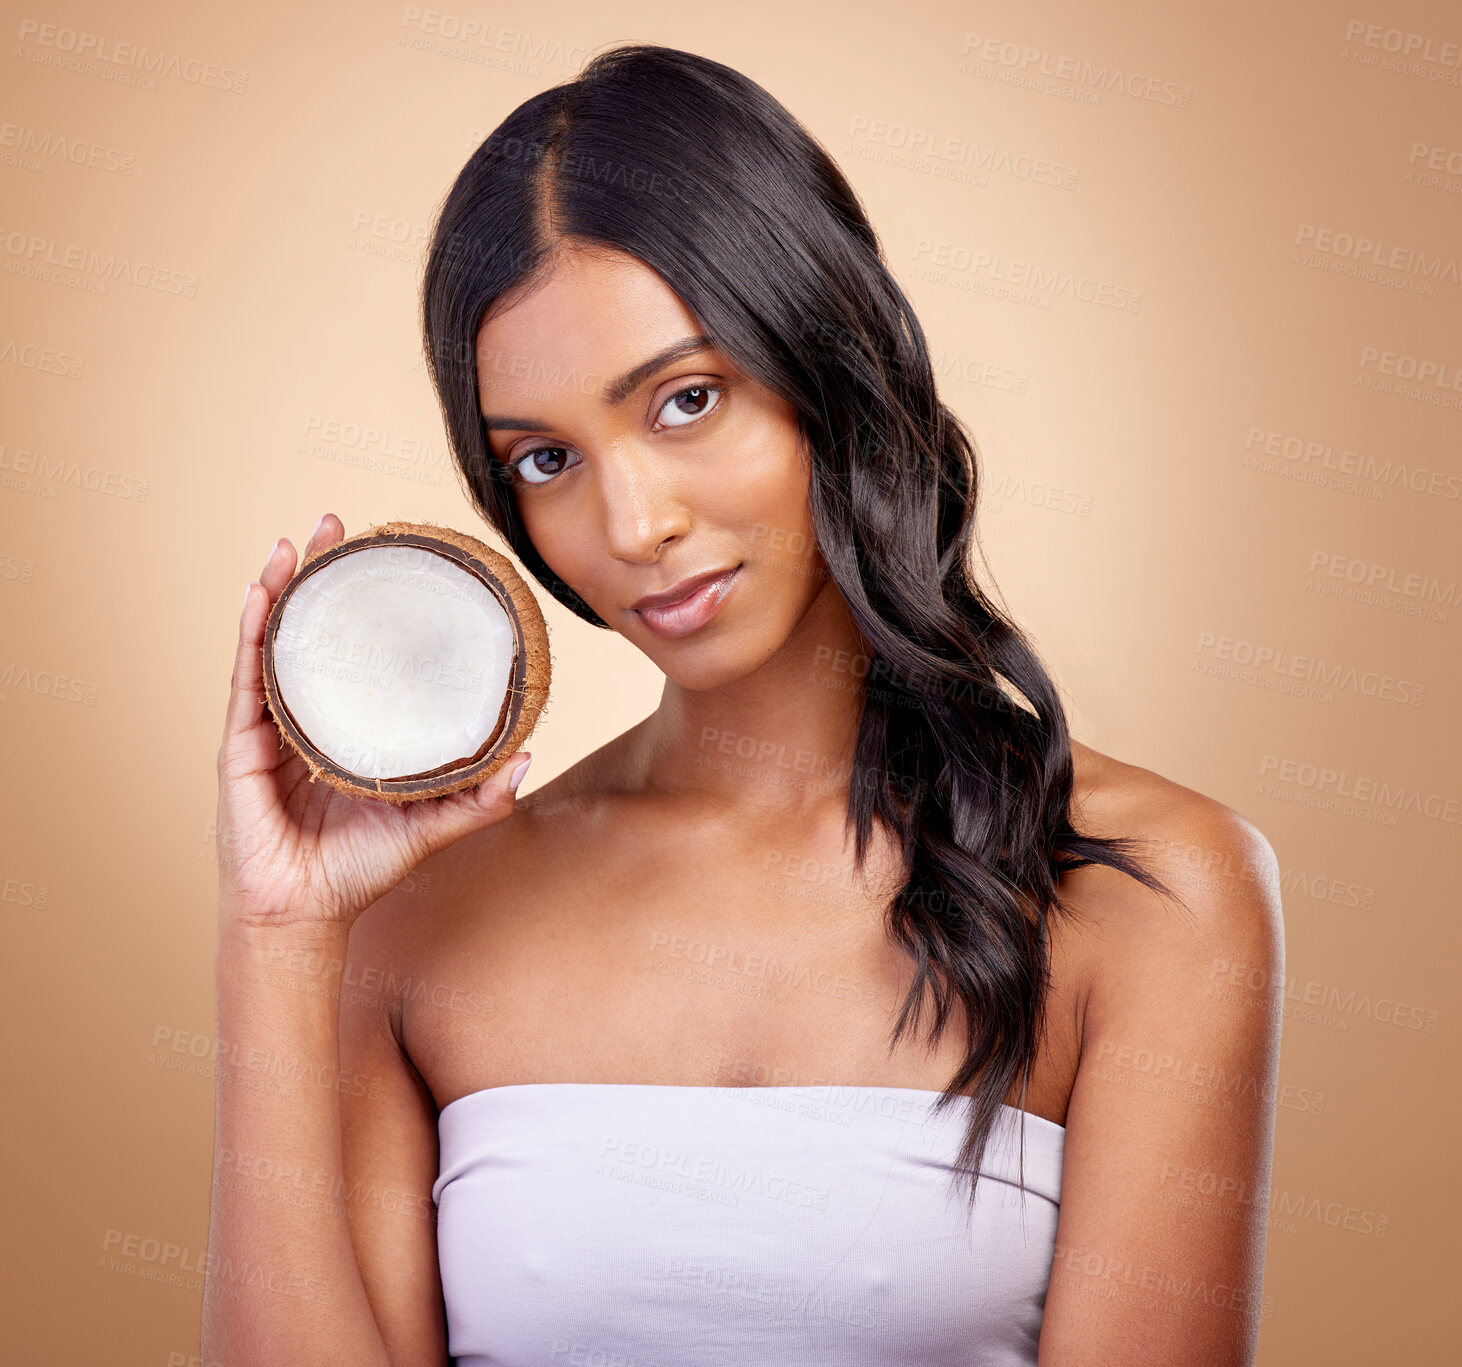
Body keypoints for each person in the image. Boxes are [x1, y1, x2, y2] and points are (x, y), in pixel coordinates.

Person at [204, 42, 1284, 1367]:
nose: (631, 522)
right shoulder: (416, 917)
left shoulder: (1152, 889)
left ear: (828, 359)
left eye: (686, 399)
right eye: (544, 457)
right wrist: (274, 938)